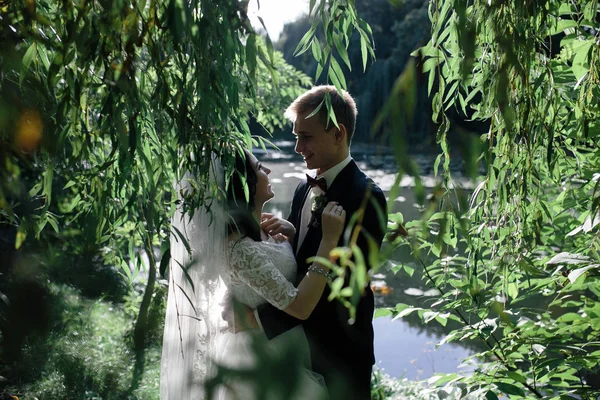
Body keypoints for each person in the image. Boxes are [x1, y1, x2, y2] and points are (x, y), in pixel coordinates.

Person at [252, 85, 388, 399]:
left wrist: (259, 319)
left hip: (339, 354)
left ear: (339, 134)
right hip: (294, 349)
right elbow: (307, 257)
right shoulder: (303, 187)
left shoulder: (367, 198)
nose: (298, 147)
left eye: (307, 137)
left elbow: (339, 288)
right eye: (296, 135)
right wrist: (292, 234)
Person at [212, 148, 346, 399]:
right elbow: (300, 305)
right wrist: (328, 240)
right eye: (260, 168)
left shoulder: (262, 231)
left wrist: (292, 235)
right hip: (262, 358)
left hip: (286, 347)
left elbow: (268, 279)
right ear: (243, 184)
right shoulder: (239, 247)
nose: (268, 171)